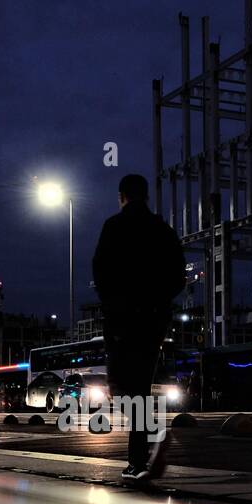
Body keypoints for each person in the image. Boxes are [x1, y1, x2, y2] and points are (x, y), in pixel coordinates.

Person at [92, 173, 186, 483]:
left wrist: (114, 305)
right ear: (145, 196)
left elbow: (101, 272)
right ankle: (137, 460)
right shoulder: (163, 230)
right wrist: (158, 304)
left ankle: (146, 446)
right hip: (153, 321)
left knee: (120, 387)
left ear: (122, 196)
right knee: (141, 387)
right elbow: (178, 276)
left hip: (122, 320)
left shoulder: (114, 227)